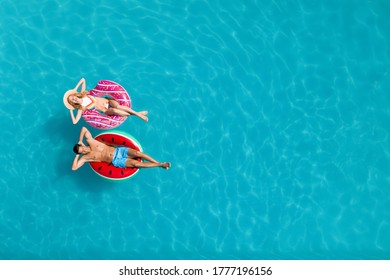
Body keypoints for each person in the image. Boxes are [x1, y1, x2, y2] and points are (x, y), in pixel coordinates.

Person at [71, 127, 170, 171]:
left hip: (119, 150)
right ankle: (161, 164)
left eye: (82, 148)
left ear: (82, 145)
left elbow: (84, 128)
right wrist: (77, 156)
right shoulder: (86, 158)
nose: (84, 151)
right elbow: (74, 168)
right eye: (82, 152)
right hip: (116, 160)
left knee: (137, 153)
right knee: (137, 164)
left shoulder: (91, 141)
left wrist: (80, 140)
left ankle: (158, 162)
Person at [63, 78, 148, 124]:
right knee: (115, 110)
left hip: (108, 101)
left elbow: (83, 80)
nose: (74, 99)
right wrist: (71, 110)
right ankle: (139, 114)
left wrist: (74, 89)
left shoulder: (84, 93)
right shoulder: (81, 108)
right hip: (106, 110)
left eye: (73, 97)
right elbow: (75, 122)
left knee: (118, 106)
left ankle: (138, 115)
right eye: (72, 101)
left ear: (75, 95)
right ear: (73, 103)